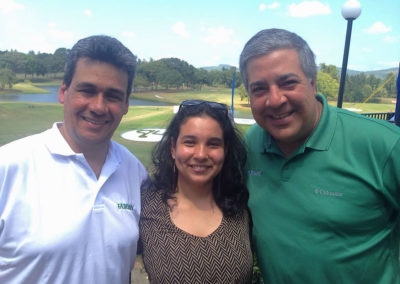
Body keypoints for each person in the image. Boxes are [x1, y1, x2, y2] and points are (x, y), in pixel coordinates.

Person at [240, 28, 400, 283]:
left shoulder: (384, 144)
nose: (275, 99)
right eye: (259, 89)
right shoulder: (251, 142)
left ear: (313, 83)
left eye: (288, 83)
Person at [0, 35, 149, 283]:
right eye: (87, 91)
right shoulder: (8, 167)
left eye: (112, 96)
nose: (99, 107)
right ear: (63, 92)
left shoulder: (135, 171)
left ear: (126, 104)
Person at [139, 100, 253, 283]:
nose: (201, 154)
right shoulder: (146, 206)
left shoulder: (241, 206)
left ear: (226, 150)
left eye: (213, 144)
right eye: (190, 142)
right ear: (173, 148)